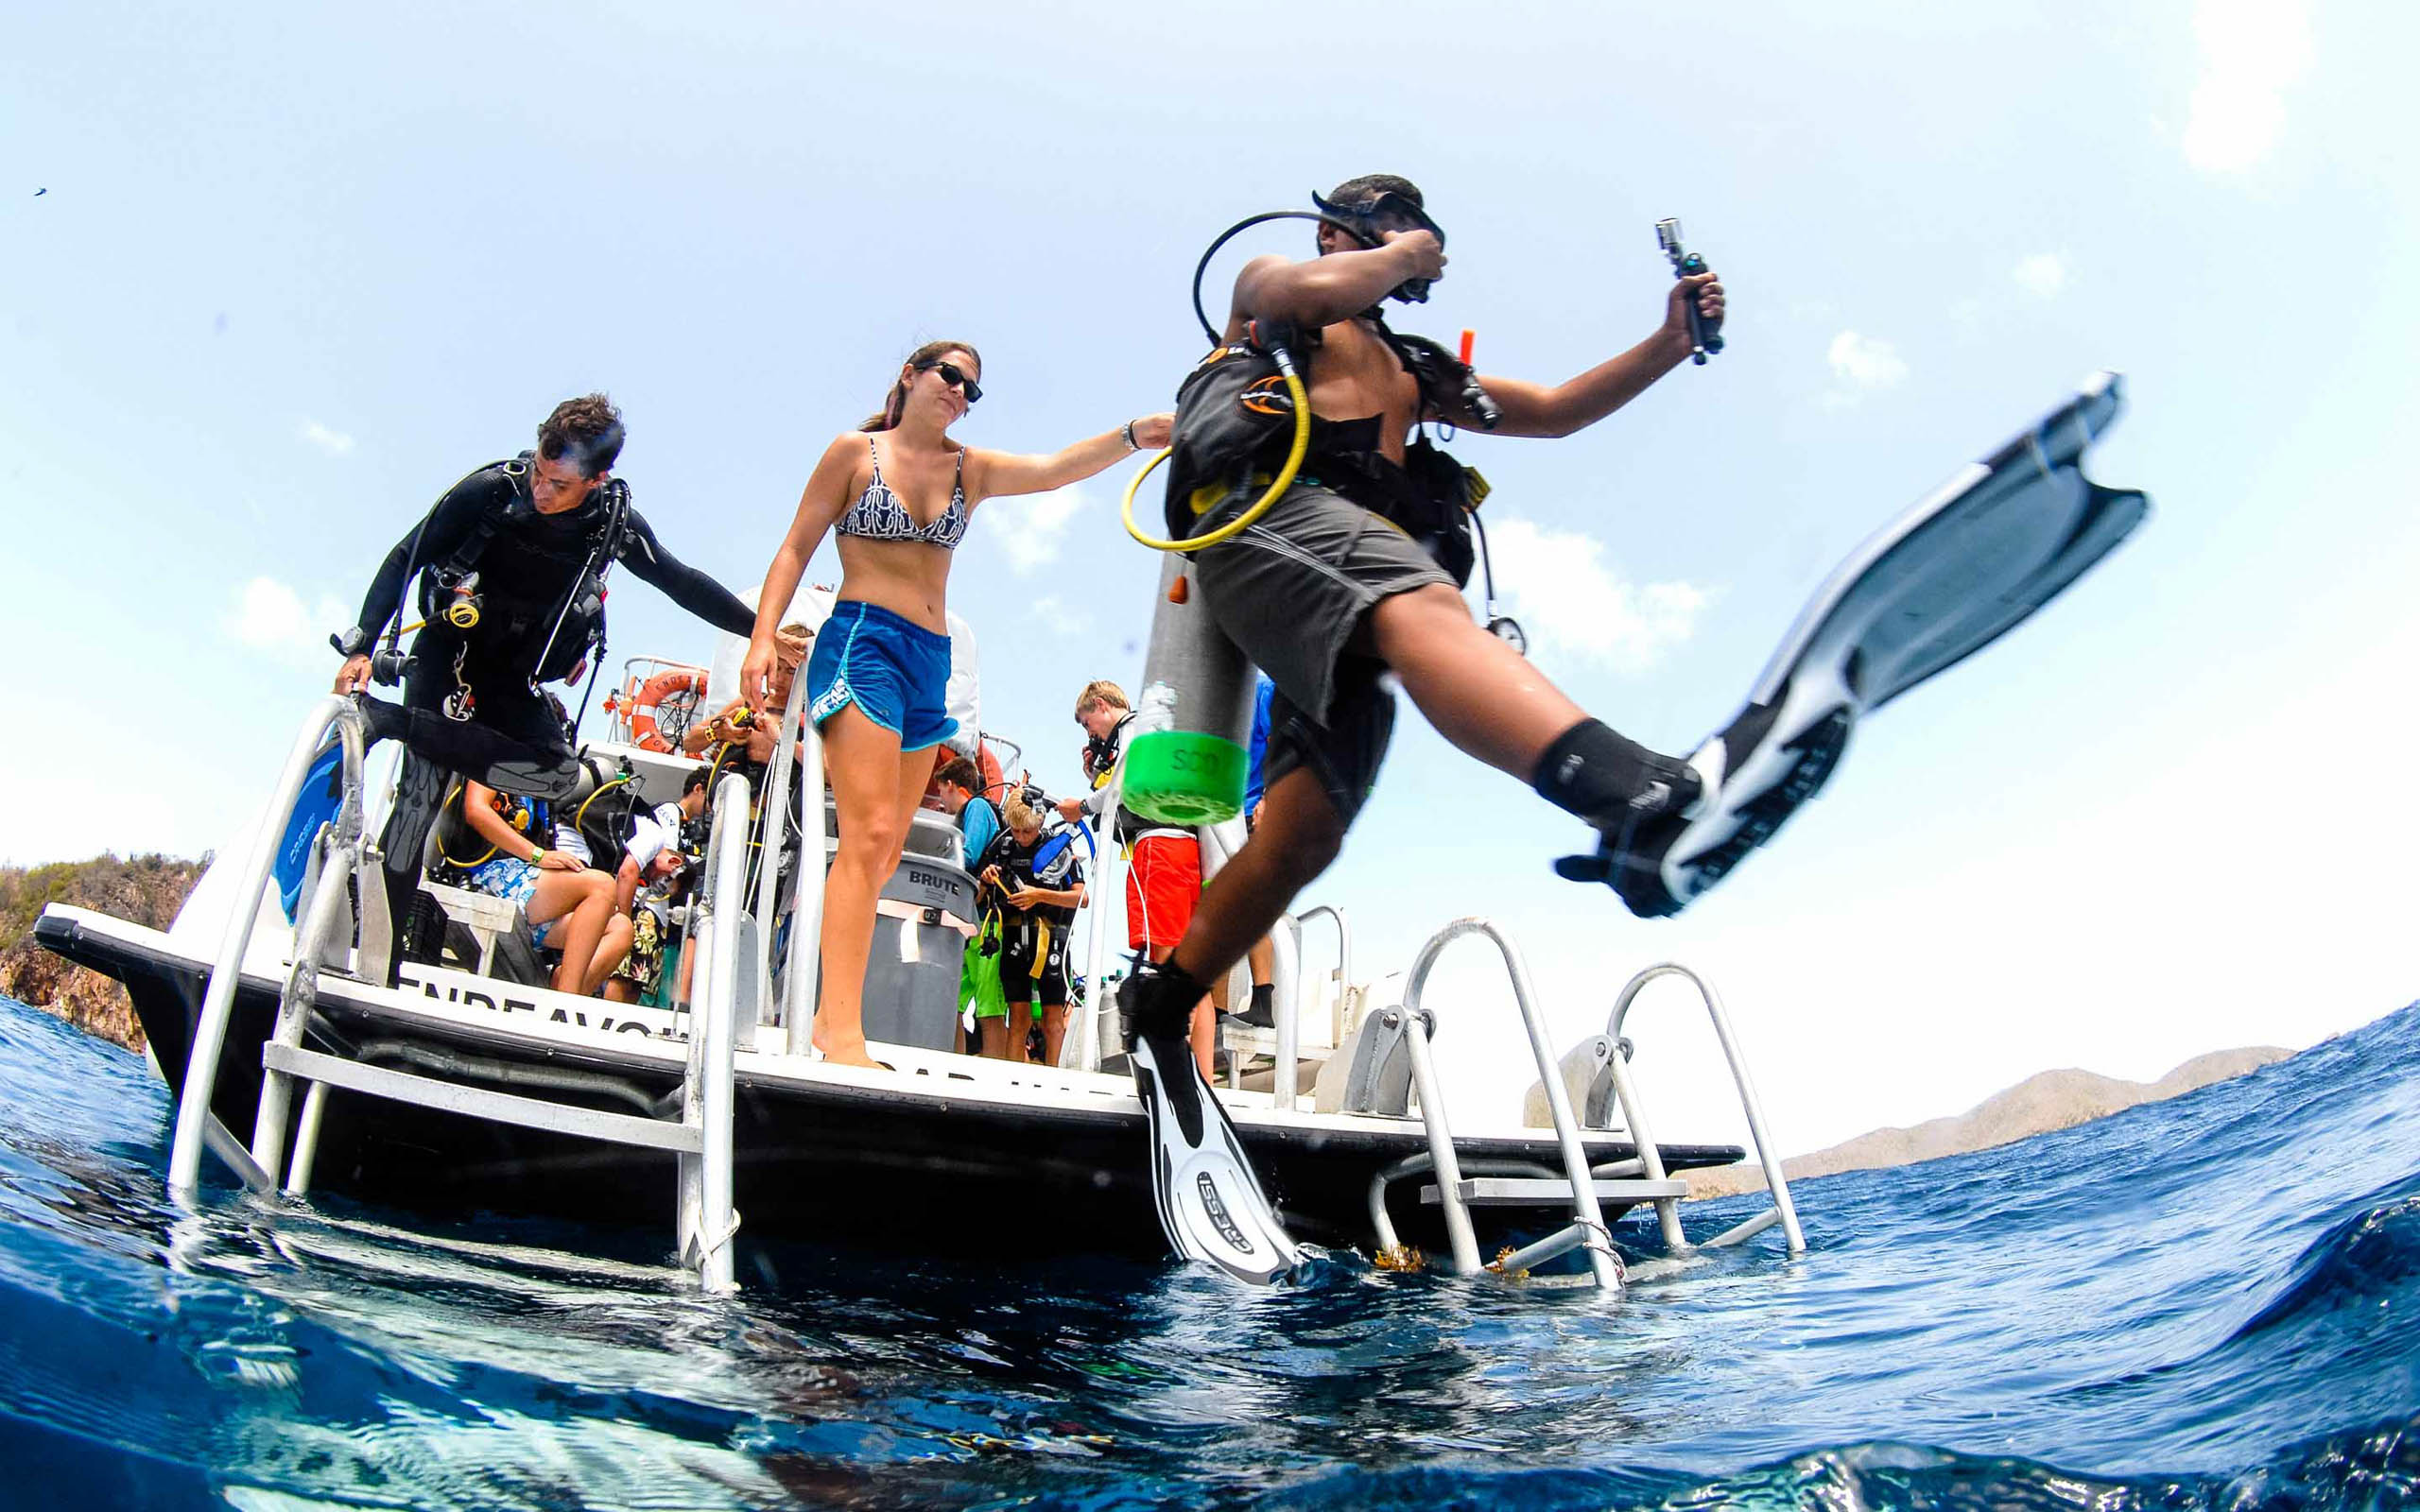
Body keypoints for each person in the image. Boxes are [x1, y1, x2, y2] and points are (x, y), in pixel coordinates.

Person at [1116, 173, 1736, 1041]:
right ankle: (1634, 798)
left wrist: (1669, 342)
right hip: (1269, 527)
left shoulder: (1414, 371)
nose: (1415, 242)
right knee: (1421, 603)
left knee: (1304, 835)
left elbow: (1555, 412)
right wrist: (1403, 253)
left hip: (1347, 599)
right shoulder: (1272, 290)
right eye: (1392, 224)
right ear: (1336, 232)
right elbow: (1308, 290)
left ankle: (1162, 999)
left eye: (1419, 229)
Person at [737, 342, 1172, 1068]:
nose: (961, 394)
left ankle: (832, 1012)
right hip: (862, 642)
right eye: (951, 377)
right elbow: (794, 549)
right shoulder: (855, 453)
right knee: (871, 831)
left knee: (886, 847)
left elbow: (1055, 468)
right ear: (910, 375)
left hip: (927, 661)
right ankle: (836, 1026)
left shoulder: (968, 469)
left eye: (974, 389)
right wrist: (760, 639)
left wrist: (1133, 435)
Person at [331, 395, 805, 966]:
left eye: (558, 483)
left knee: (559, 777)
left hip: (513, 673)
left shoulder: (612, 522)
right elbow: (406, 555)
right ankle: (375, 962)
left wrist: (764, 633)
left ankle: (396, 723)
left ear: (598, 478)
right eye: (538, 471)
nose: (541, 490)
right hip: (450, 649)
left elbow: (681, 582)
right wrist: (361, 645)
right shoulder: (490, 492)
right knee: (419, 795)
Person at [1057, 680, 1219, 1077]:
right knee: (1191, 971)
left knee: (1167, 963)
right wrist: (1094, 776)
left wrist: (1081, 805)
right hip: (1179, 849)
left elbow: (1122, 786)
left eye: (1087, 722)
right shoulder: (1148, 735)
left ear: (1100, 705)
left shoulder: (1134, 728)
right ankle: (1200, 1072)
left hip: (1159, 849)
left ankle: (1176, 1074)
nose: (1090, 732)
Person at [454, 778, 630, 995]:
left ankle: (564, 993)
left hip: (526, 888)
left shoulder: (537, 789)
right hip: (488, 875)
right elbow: (476, 810)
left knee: (621, 928)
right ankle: (566, 1002)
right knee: (602, 885)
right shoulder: (496, 757)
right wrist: (537, 855)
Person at [981, 792, 1086, 1065]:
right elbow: (979, 894)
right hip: (1014, 937)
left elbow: (1082, 898)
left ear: (1039, 824)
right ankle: (1012, 1080)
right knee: (1018, 1017)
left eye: (1027, 831)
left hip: (1052, 939)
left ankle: (1055, 1082)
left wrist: (1039, 895)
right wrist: (986, 879)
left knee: (1053, 1018)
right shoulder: (1003, 846)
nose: (1021, 837)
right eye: (1015, 830)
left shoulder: (1058, 848)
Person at [601, 815, 687, 1005]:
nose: (653, 879)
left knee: (630, 981)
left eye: (662, 882)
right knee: (627, 981)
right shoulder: (652, 838)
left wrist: (620, 924)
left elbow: (626, 873)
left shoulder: (644, 843)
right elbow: (626, 874)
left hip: (647, 922)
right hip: (646, 922)